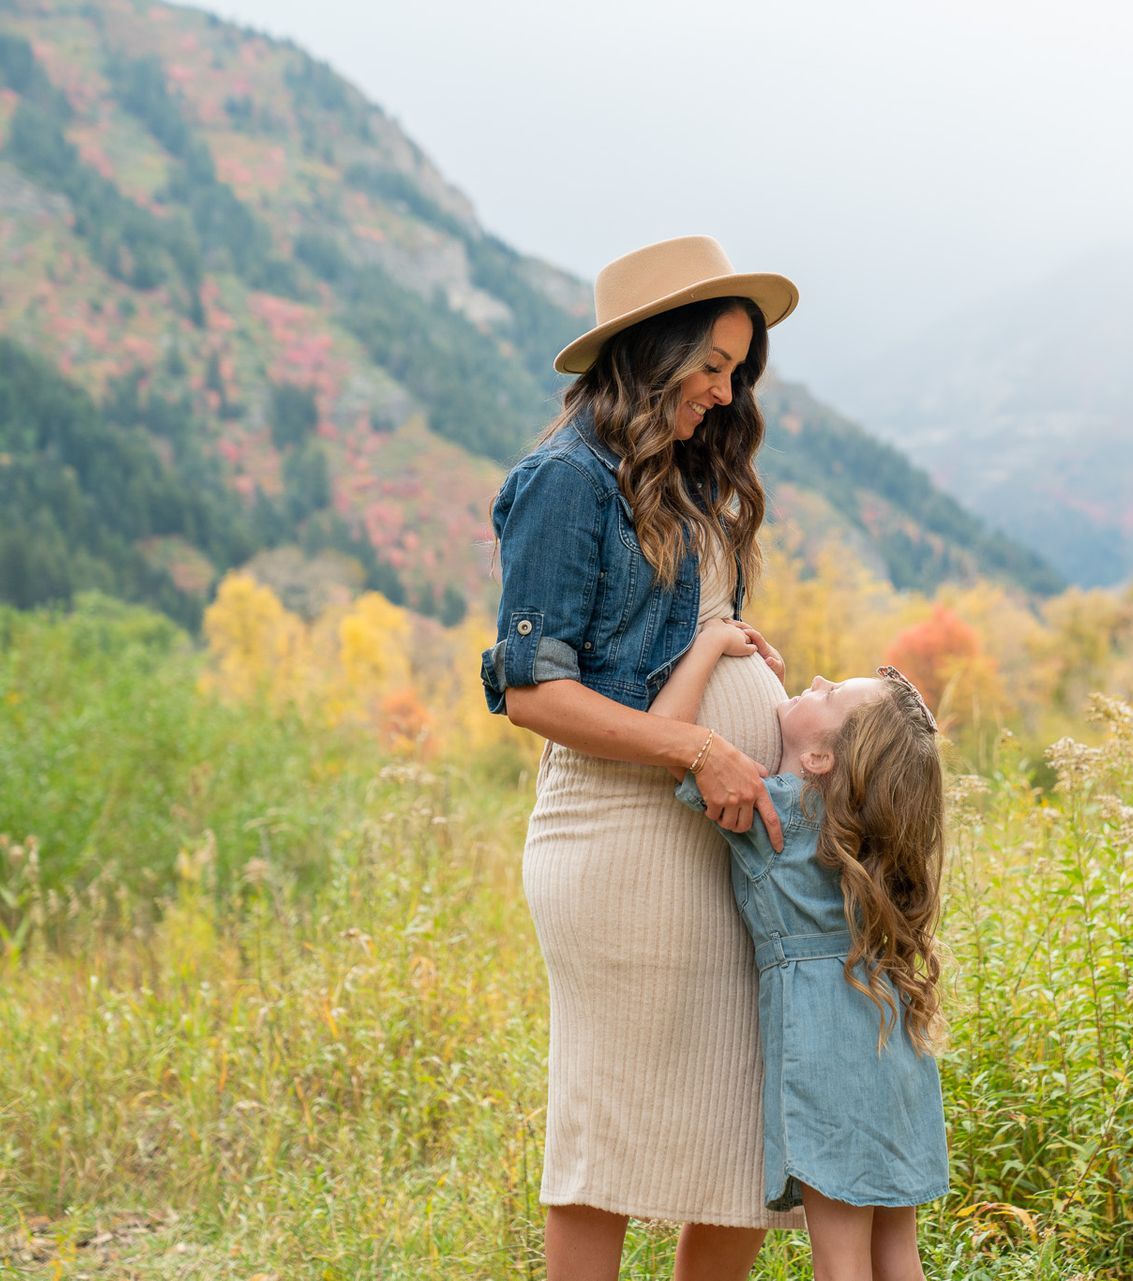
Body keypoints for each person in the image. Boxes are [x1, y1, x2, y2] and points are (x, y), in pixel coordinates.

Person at [480, 236, 803, 1280]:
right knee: (606, 1132)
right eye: (709, 363)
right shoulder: (565, 481)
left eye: (735, 370)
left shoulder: (691, 479)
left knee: (745, 1123)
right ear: (650, 352)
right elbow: (534, 689)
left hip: (712, 839)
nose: (723, 389)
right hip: (619, 841)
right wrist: (703, 745)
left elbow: (688, 641)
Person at [654, 639, 951, 1281]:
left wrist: (707, 645)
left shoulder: (774, 810)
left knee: (840, 1262)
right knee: (897, 1255)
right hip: (889, 1036)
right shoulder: (851, 832)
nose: (815, 680)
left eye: (829, 695)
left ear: (818, 757)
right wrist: (776, 687)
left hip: (831, 1053)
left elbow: (668, 735)